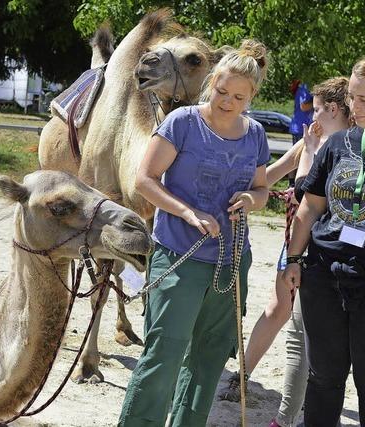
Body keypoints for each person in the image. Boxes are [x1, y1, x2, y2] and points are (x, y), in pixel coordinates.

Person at [118, 40, 270, 427]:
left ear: (251, 96)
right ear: (211, 83)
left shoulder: (255, 134)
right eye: (221, 91)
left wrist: (251, 200)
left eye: (238, 96)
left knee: (210, 357)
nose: (227, 101)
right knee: (163, 354)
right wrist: (189, 212)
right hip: (179, 256)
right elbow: (145, 180)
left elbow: (262, 189)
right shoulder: (182, 122)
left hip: (231, 261)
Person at [220, 77, 352, 427]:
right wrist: (246, 192)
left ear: (334, 109)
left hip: (315, 249)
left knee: (303, 331)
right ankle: (243, 375)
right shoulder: (313, 139)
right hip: (295, 243)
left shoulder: (339, 146)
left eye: (318, 108)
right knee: (282, 310)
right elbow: (270, 177)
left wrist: (308, 152)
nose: (312, 114)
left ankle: (297, 410)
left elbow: (303, 190)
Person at [283, 54, 365, 425]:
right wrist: (294, 260)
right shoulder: (339, 144)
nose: (354, 107)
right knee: (323, 379)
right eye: (351, 97)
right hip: (323, 276)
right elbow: (310, 209)